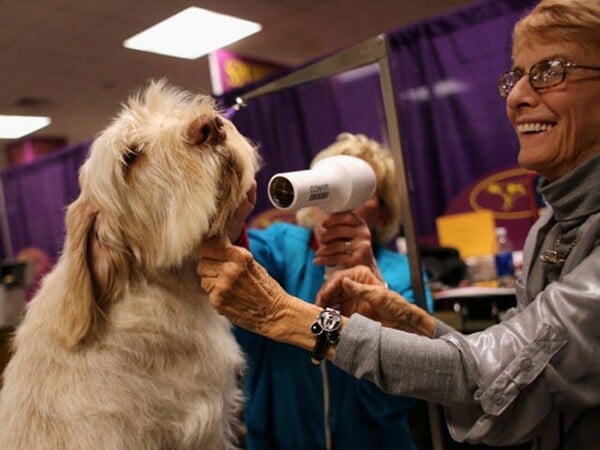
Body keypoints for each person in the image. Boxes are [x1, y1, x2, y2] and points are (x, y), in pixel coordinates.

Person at [199, 1, 600, 448]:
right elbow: (508, 365)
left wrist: (286, 315)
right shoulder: (550, 228)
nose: (517, 96)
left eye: (550, 71)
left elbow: (482, 376)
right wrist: (413, 323)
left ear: (384, 209)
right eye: (517, 76)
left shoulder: (404, 274)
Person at [234, 133, 434, 450]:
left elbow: (411, 381)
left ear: (382, 213)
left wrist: (378, 295)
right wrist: (231, 220)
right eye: (324, 183)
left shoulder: (403, 275)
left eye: (359, 191)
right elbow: (238, 276)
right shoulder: (279, 247)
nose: (336, 201)